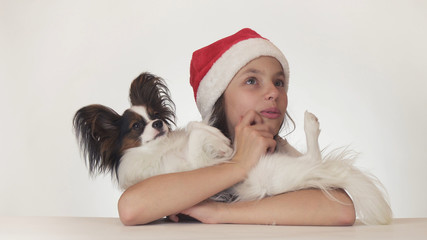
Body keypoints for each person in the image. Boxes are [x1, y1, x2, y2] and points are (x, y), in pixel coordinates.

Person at [118, 28, 356, 226]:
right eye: (251, 81)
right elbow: (132, 208)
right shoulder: (188, 150)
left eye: (279, 82)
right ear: (218, 98)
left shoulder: (279, 150)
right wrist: (239, 164)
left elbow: (341, 209)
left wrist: (221, 213)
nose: (274, 92)